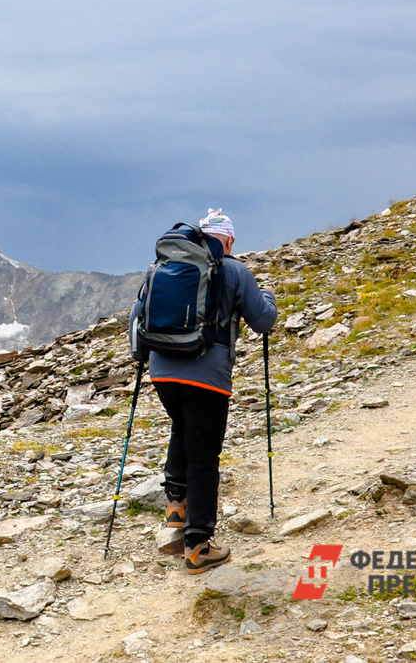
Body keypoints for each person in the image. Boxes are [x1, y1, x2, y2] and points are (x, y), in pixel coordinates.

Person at [130, 209, 277, 574]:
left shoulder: (162, 268)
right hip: (207, 375)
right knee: (204, 456)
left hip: (161, 372)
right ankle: (198, 547)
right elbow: (262, 321)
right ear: (228, 240)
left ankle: (176, 508)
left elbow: (136, 319)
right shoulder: (235, 270)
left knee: (182, 428)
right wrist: (269, 298)